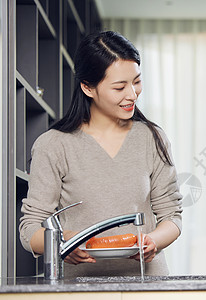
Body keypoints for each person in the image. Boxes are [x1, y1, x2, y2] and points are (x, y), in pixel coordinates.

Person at [19, 31, 182, 277]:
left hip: (147, 285)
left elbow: (172, 216)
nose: (132, 94)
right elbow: (30, 229)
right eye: (119, 87)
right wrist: (62, 241)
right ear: (88, 87)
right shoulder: (54, 144)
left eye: (136, 81)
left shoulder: (151, 138)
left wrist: (154, 241)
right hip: (79, 288)